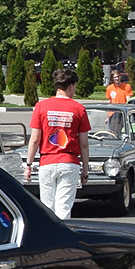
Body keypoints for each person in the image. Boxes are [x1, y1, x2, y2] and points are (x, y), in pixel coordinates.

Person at [24, 68, 91, 219]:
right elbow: (84, 143)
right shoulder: (79, 109)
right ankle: (63, 240)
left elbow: (34, 139)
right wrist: (85, 170)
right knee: (64, 209)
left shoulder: (41, 106)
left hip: (46, 162)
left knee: (47, 209)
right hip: (69, 162)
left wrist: (28, 165)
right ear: (71, 86)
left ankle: (48, 239)